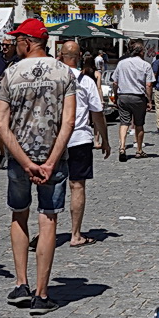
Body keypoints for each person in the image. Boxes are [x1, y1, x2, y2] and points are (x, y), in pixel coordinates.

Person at [0, 18, 76, 313]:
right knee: (48, 219)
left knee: (19, 215)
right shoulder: (64, 72)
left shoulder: (10, 74)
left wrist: (25, 162)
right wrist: (51, 160)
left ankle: (20, 284)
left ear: (27, 42)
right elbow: (69, 121)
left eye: (17, 40)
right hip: (53, 157)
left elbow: (0, 126)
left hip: (19, 157)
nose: (15, 44)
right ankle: (42, 293)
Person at [57, 40, 108, 247]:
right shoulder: (85, 81)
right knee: (77, 186)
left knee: (51, 186)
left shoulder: (52, 79)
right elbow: (97, 113)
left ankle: (47, 230)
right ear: (78, 58)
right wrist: (104, 139)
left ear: (59, 55)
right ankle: (75, 234)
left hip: (54, 139)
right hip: (79, 138)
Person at [113, 40, 155, 161]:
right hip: (138, 97)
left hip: (123, 95)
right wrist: (149, 100)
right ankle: (139, 150)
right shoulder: (145, 65)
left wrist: (116, 95)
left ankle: (122, 147)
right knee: (139, 124)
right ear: (141, 52)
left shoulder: (121, 63)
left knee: (124, 123)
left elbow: (115, 82)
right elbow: (148, 85)